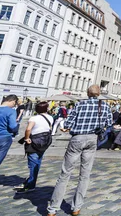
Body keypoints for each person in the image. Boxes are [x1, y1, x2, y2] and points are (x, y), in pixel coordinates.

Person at [47, 85, 112, 216]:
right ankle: (76, 208)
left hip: (77, 139)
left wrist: (66, 128)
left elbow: (68, 123)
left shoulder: (80, 105)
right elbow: (109, 123)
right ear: (99, 94)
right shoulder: (105, 106)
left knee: (65, 174)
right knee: (85, 175)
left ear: (87, 93)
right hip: (92, 139)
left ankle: (53, 209)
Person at [15, 101, 53, 193]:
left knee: (33, 163)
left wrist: (27, 138)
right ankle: (30, 180)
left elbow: (28, 129)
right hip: (45, 141)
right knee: (38, 161)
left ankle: (31, 184)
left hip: (34, 142)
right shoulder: (50, 117)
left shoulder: (34, 118)